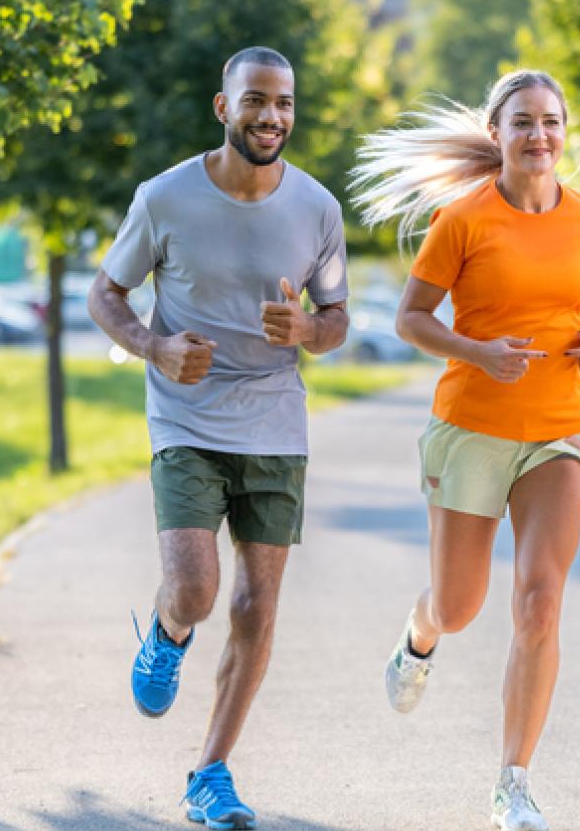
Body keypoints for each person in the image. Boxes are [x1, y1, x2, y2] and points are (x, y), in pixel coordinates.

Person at [350, 69, 580, 831]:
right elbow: (411, 317)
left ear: (565, 131)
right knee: (461, 605)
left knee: (539, 602)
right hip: (472, 425)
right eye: (523, 122)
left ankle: (514, 782)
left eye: (551, 122)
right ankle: (420, 633)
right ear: (496, 132)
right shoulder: (462, 219)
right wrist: (475, 349)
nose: (540, 135)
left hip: (559, 430)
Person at [87, 46, 349, 831]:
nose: (273, 116)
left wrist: (307, 327)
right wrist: (153, 347)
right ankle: (168, 632)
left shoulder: (317, 208)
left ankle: (210, 772)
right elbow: (106, 291)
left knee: (256, 604)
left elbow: (338, 321)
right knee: (198, 589)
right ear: (222, 106)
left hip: (274, 418)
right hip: (186, 415)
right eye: (257, 101)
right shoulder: (165, 197)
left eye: (285, 103)